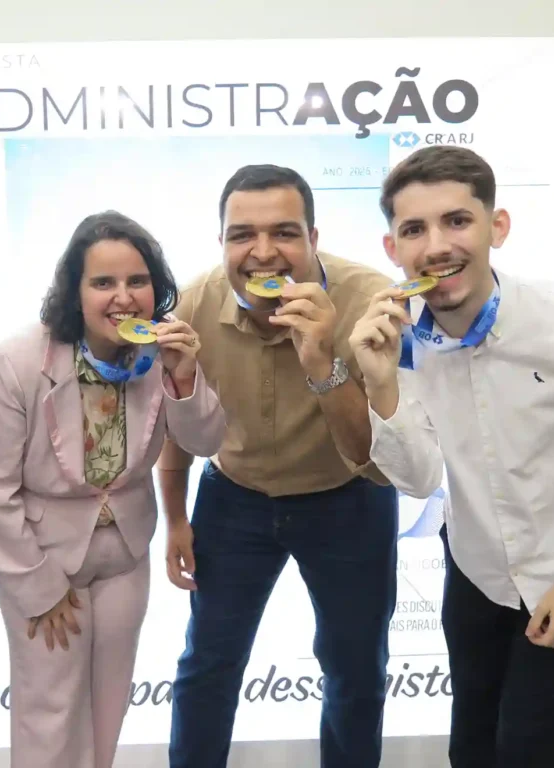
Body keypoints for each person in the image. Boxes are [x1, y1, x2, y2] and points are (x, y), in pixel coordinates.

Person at [348, 145, 554, 767]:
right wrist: (379, 386)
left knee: (527, 747)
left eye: (457, 221)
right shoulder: (401, 339)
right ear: (393, 251)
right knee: (472, 743)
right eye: (414, 229)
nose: (437, 245)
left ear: (497, 226)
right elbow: (419, 479)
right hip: (474, 567)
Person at [0, 210, 225, 768]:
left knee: (110, 702)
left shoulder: (161, 353)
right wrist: (37, 587)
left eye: (137, 281)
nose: (123, 297)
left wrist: (183, 374)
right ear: (74, 292)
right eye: (103, 282)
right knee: (50, 707)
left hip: (125, 554)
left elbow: (204, 440)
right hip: (43, 555)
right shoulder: (17, 361)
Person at [161, 164, 400, 768]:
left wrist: (321, 357)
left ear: (315, 239)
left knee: (355, 670)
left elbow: (376, 451)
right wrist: (174, 520)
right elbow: (173, 420)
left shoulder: (370, 300)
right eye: (242, 234)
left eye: (285, 233)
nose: (263, 253)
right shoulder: (192, 302)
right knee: (207, 664)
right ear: (221, 243)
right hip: (233, 495)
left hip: (348, 496)